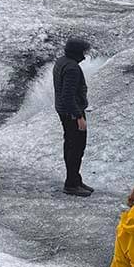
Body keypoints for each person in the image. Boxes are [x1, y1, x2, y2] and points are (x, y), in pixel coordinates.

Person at [53, 37, 92, 197]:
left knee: (70, 145)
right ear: (77, 52)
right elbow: (68, 96)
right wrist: (78, 116)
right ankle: (71, 184)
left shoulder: (61, 61)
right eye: (83, 52)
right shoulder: (72, 68)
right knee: (76, 148)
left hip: (65, 111)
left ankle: (75, 179)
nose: (85, 55)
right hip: (72, 113)